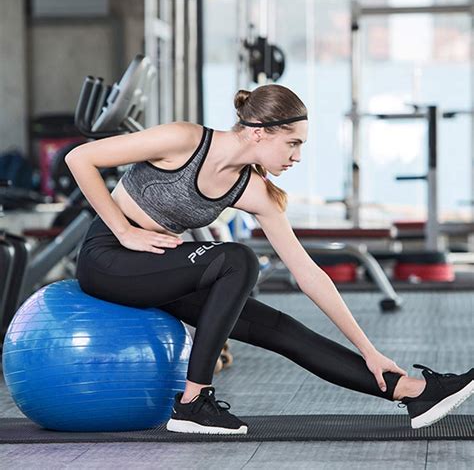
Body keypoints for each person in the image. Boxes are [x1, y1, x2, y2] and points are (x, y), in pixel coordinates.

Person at [66, 84, 473, 435]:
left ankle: (413, 393)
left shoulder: (254, 191)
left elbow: (308, 274)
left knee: (282, 329)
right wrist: (122, 229)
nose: (297, 156)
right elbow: (80, 158)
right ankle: (193, 401)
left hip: (160, 271)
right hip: (108, 261)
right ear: (260, 132)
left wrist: (368, 348)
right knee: (238, 259)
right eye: (293, 143)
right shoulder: (183, 140)